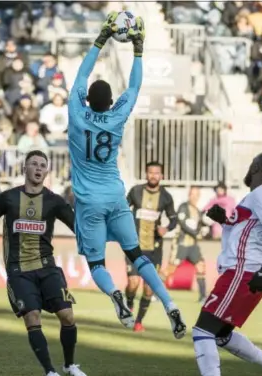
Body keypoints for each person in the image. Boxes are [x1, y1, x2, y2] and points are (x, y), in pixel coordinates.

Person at [68, 12, 186, 339]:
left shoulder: (77, 114)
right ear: (111, 103)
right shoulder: (117, 118)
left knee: (96, 264)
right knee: (137, 255)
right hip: (115, 197)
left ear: (88, 100)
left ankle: (116, 297)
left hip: (89, 202)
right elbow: (134, 86)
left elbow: (80, 76)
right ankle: (170, 303)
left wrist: (100, 39)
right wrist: (137, 49)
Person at [0, 150, 88, 376]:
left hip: (47, 267)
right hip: (19, 271)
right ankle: (50, 371)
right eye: (34, 163)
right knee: (32, 318)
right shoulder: (9, 198)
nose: (38, 168)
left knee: (67, 316)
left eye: (43, 164)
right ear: (25, 168)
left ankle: (69, 365)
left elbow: (78, 227)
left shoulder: (54, 201)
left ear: (47, 171)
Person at [192, 150, 262, 376]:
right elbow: (249, 229)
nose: (250, 165)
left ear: (258, 165)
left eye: (252, 161)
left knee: (202, 331)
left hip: (244, 272)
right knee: (222, 335)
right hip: (245, 272)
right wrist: (225, 221)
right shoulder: (255, 196)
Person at [125, 162, 177, 332]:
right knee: (133, 283)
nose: (154, 176)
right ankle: (130, 302)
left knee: (148, 288)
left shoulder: (166, 197)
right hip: (134, 246)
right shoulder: (136, 191)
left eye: (157, 173)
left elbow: (174, 219)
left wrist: (166, 228)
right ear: (146, 174)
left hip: (154, 249)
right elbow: (123, 209)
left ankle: (138, 322)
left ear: (161, 175)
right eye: (151, 172)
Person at [164, 187, 207, 303]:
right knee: (170, 269)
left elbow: (199, 226)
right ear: (189, 195)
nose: (194, 197)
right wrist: (196, 233)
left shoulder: (198, 211)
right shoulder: (183, 207)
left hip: (193, 246)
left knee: (201, 267)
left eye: (197, 194)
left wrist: (204, 230)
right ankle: (155, 293)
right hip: (181, 244)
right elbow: (183, 224)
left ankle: (203, 297)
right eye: (192, 194)